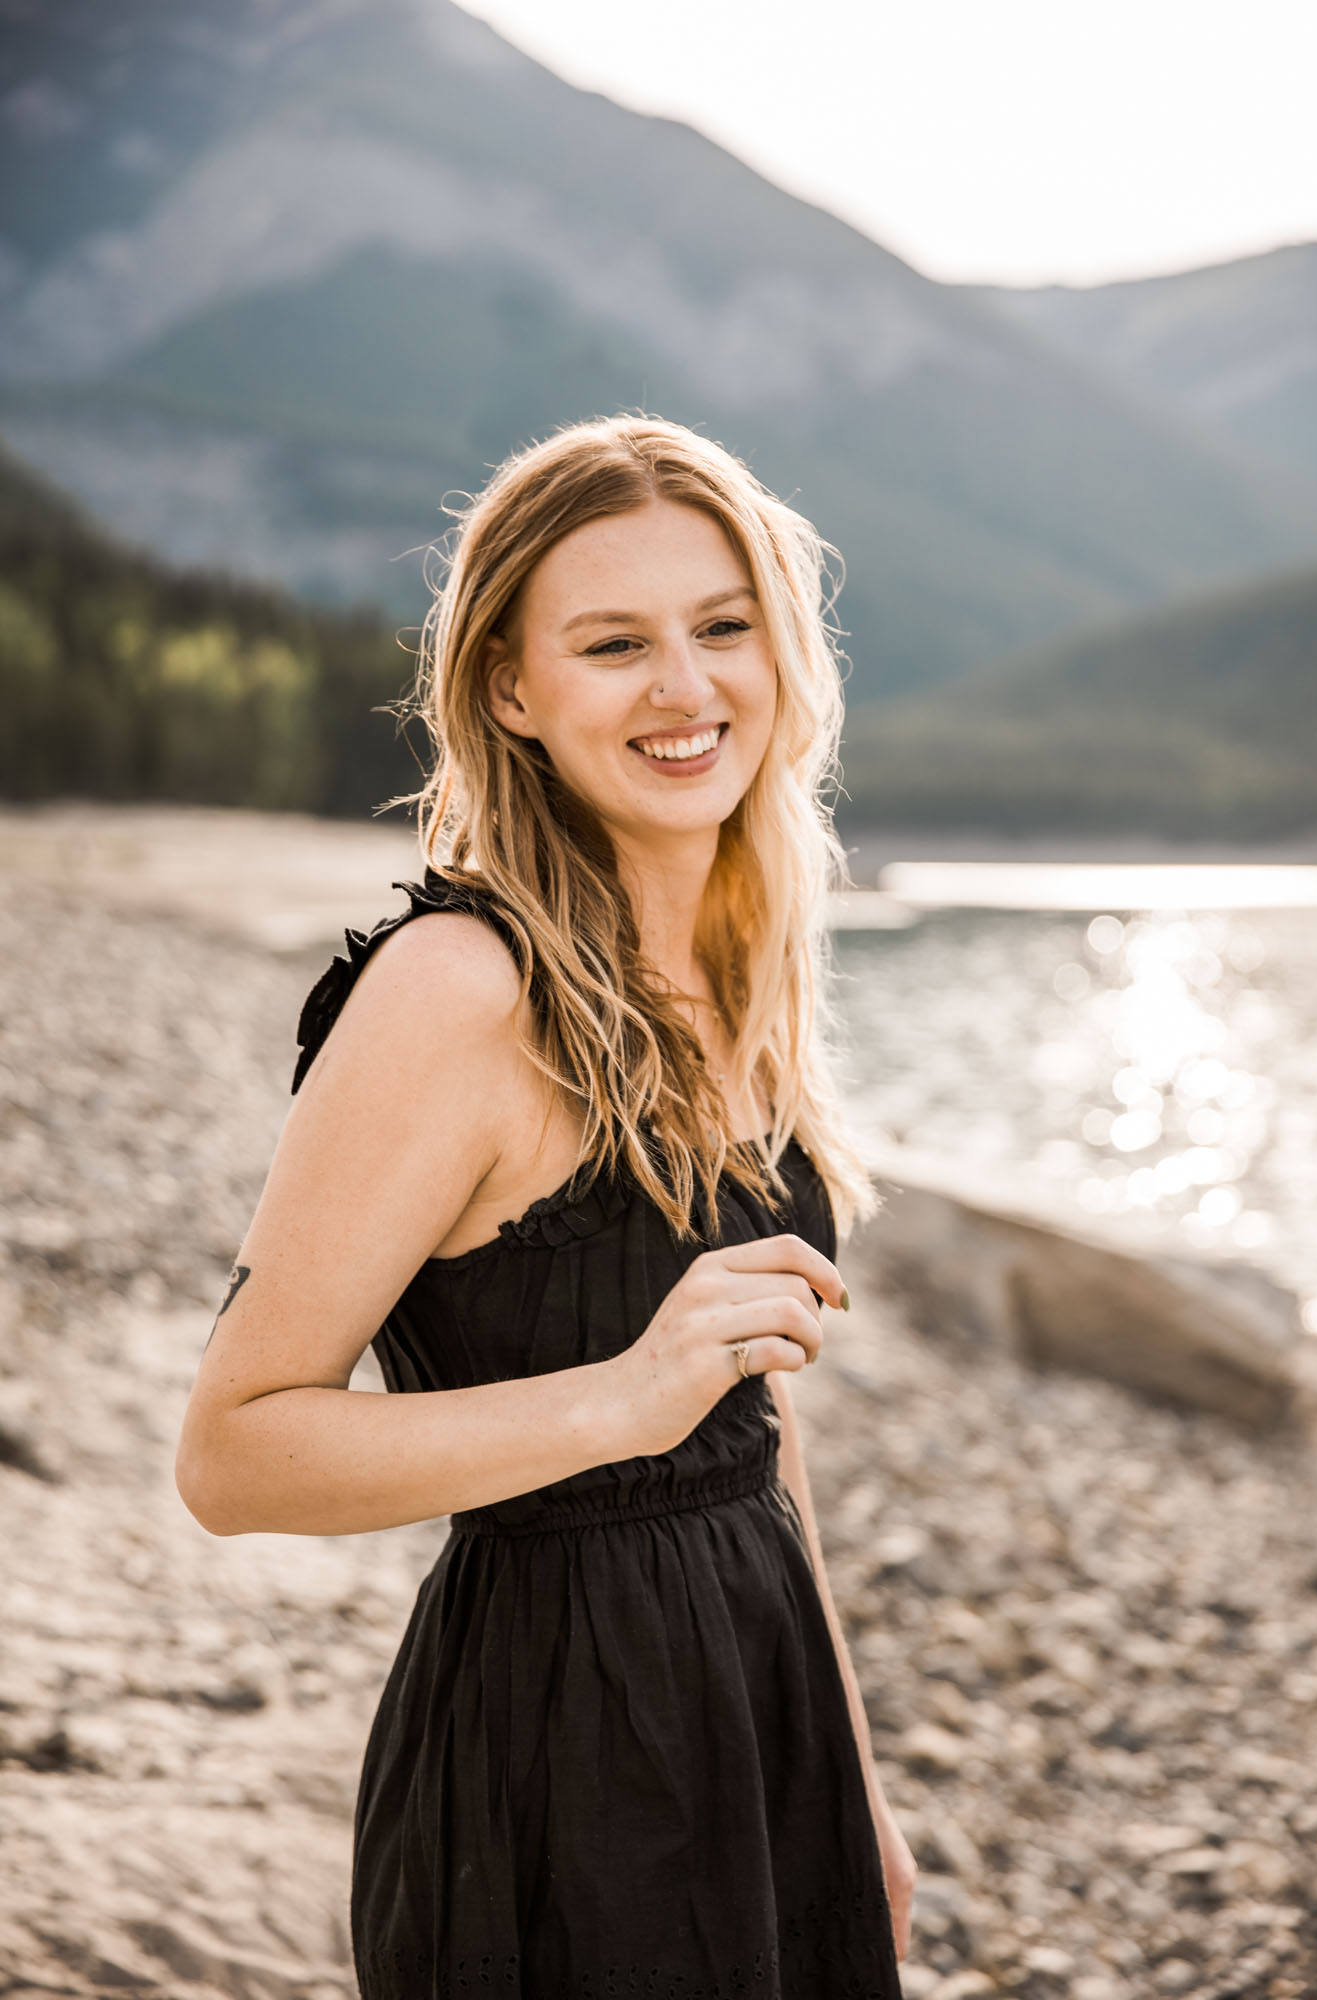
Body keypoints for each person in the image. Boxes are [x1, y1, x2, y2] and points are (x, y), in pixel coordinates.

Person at [176, 413, 917, 1996]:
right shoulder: (455, 987)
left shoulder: (733, 963)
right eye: (612, 643)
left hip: (761, 1696)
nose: (684, 686)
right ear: (510, 691)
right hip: (557, 1760)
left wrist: (848, 1774)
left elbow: (756, 1429)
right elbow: (233, 1453)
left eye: (723, 626)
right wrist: (620, 1396)